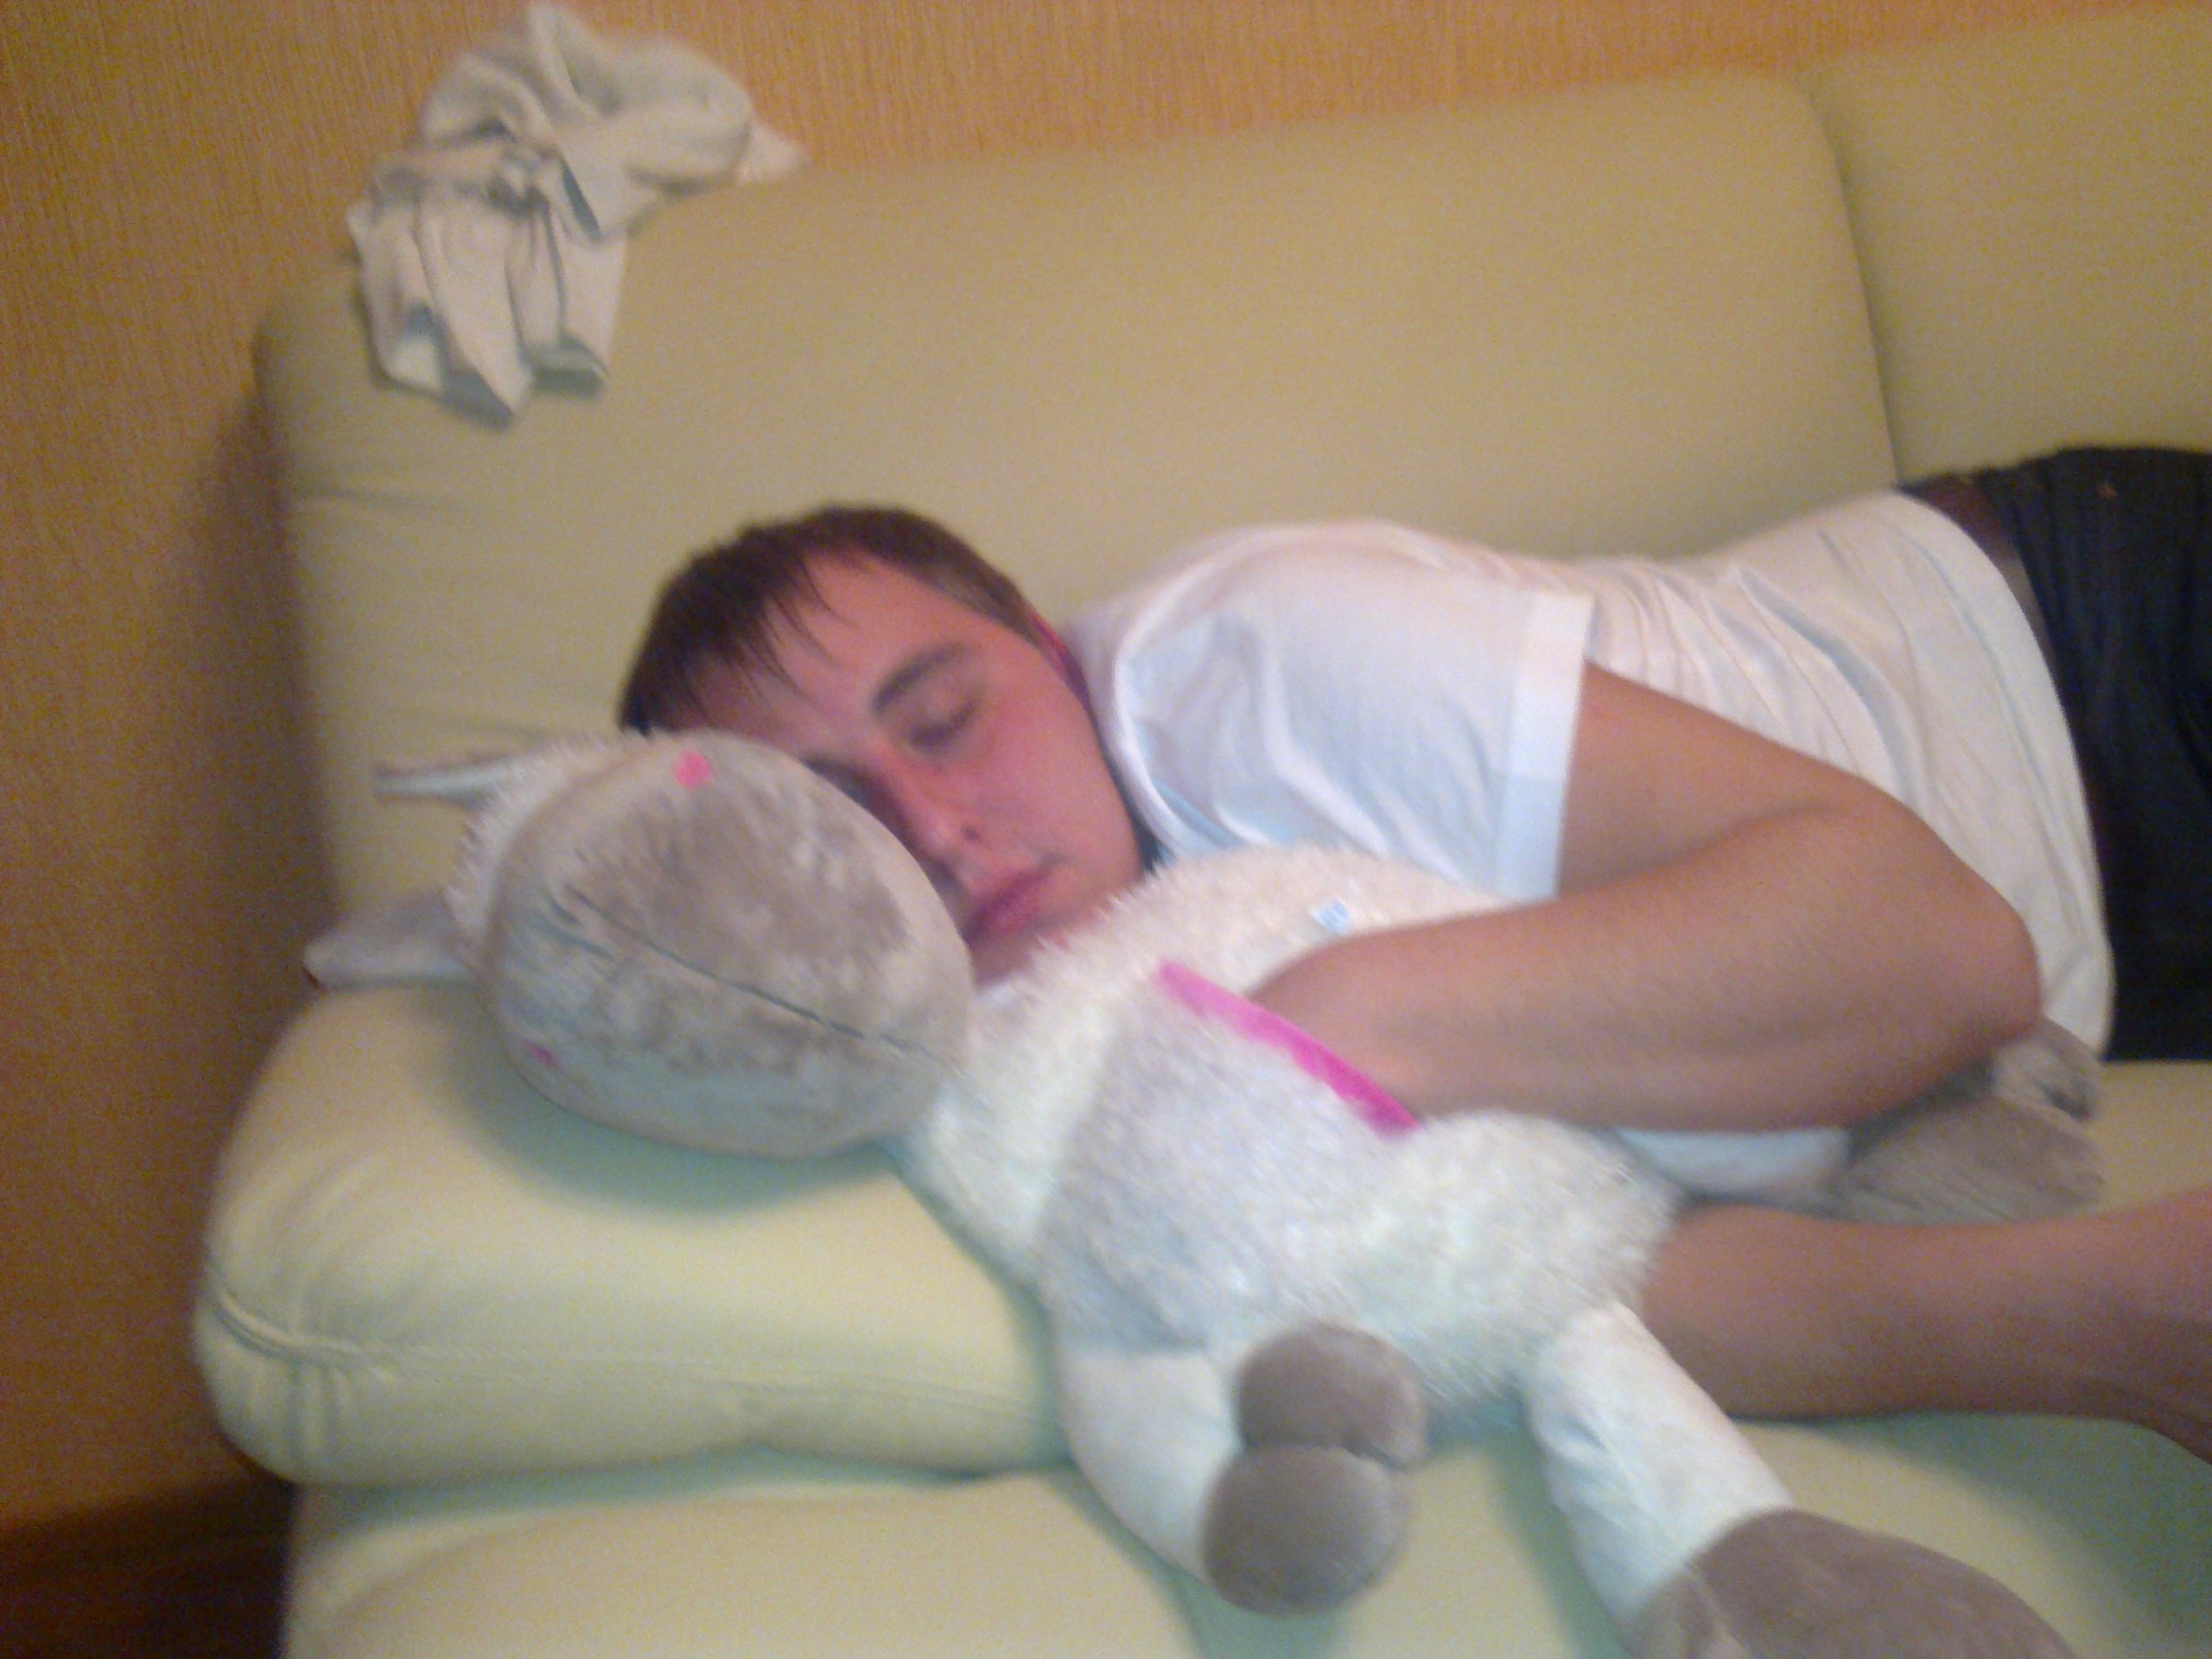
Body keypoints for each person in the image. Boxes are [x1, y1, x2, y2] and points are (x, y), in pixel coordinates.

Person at [615, 458, 2212, 1463]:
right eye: (840, 825)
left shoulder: (1244, 671)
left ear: (1045, 647)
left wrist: (1330, 1028)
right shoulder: (1015, 1029)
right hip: (2120, 970)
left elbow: (1941, 948)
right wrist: (2092, 1318)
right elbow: (1560, 1275)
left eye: (947, 717)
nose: (937, 831)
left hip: (2094, 661)